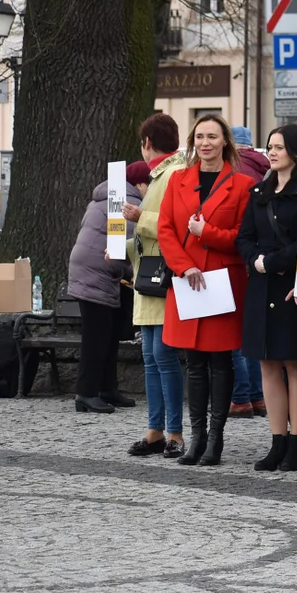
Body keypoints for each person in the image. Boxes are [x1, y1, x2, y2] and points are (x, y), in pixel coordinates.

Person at [159, 113, 254, 466]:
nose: (205, 143)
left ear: (225, 142)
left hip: (223, 283)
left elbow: (243, 236)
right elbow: (166, 229)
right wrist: (185, 266)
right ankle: (196, 438)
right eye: (200, 137)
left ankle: (216, 440)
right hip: (189, 281)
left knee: (221, 360)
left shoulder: (242, 185)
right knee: (194, 363)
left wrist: (207, 234)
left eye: (212, 137)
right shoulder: (178, 179)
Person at [237, 124, 297, 472]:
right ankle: (276, 441)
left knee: (295, 363)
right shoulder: (259, 190)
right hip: (261, 285)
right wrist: (253, 259)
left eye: (278, 147)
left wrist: (271, 261)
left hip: (294, 286)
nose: (271, 153)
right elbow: (244, 235)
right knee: (267, 364)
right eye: (269, 147)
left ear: (296, 152)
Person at [125, 113, 188, 459]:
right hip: (150, 277)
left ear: (147, 143)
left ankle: (174, 432)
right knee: (151, 357)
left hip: (164, 276)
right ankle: (154, 431)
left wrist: (139, 219)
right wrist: (120, 248)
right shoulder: (162, 172)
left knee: (163, 357)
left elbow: (174, 224)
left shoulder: (172, 173)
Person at [68, 162, 144, 414]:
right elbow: (126, 246)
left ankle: (106, 388)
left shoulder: (106, 197)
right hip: (96, 274)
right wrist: (138, 274)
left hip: (90, 269)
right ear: (141, 184)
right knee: (97, 338)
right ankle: (86, 393)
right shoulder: (127, 203)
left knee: (108, 335)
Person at [228, 126, 269, 420]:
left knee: (234, 333)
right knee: (250, 332)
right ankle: (257, 396)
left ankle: (240, 397)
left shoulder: (234, 172)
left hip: (238, 256)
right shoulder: (265, 170)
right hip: (257, 261)